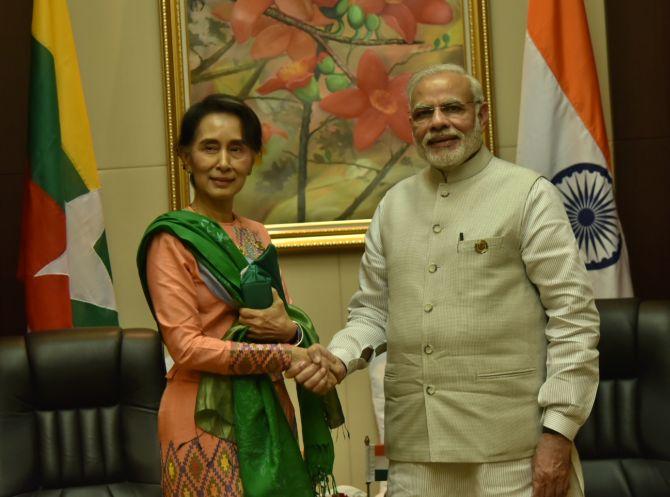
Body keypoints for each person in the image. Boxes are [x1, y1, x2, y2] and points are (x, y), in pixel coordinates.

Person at [287, 64, 600, 497]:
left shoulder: (528, 194)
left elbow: (574, 318)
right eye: (423, 113)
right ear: (412, 126)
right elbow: (373, 311)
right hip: (417, 450)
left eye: (452, 108)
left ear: (482, 116)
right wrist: (339, 358)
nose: (438, 121)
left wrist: (559, 431)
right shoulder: (393, 207)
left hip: (510, 451)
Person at [137, 94, 339, 497]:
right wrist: (288, 356)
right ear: (185, 157)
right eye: (209, 148)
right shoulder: (171, 238)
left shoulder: (257, 234)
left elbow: (285, 319)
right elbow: (188, 347)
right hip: (201, 413)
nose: (224, 163)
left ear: (253, 158)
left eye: (237, 149)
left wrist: (296, 336)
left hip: (267, 405)